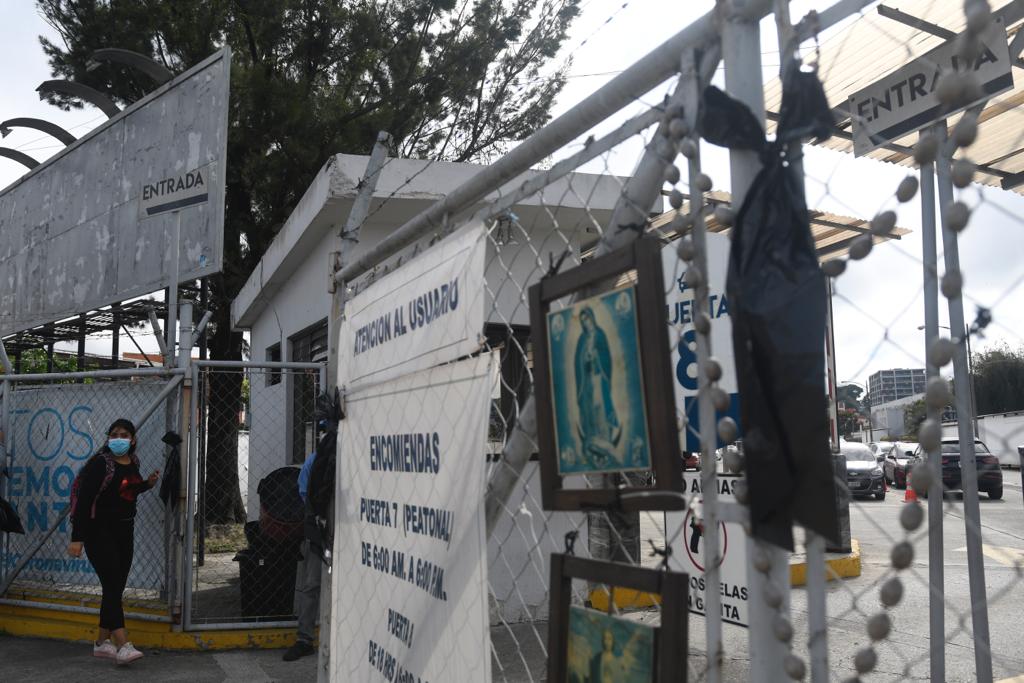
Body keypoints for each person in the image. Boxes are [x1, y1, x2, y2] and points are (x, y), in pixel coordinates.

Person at [67, 419, 159, 666]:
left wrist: (146, 485)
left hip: (124, 530)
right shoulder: (100, 464)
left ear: (133, 439)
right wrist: (78, 538)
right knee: (111, 583)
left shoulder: (134, 462)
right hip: (98, 532)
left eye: (125, 434)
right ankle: (123, 644)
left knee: (115, 587)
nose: (119, 438)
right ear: (108, 438)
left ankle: (101, 643)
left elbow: (127, 491)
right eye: (115, 434)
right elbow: (85, 501)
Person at [282, 448, 321, 662]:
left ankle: (305, 639)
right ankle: (305, 639)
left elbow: (303, 493)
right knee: (311, 584)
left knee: (311, 585)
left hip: (319, 529)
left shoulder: (315, 459)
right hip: (323, 530)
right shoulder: (317, 460)